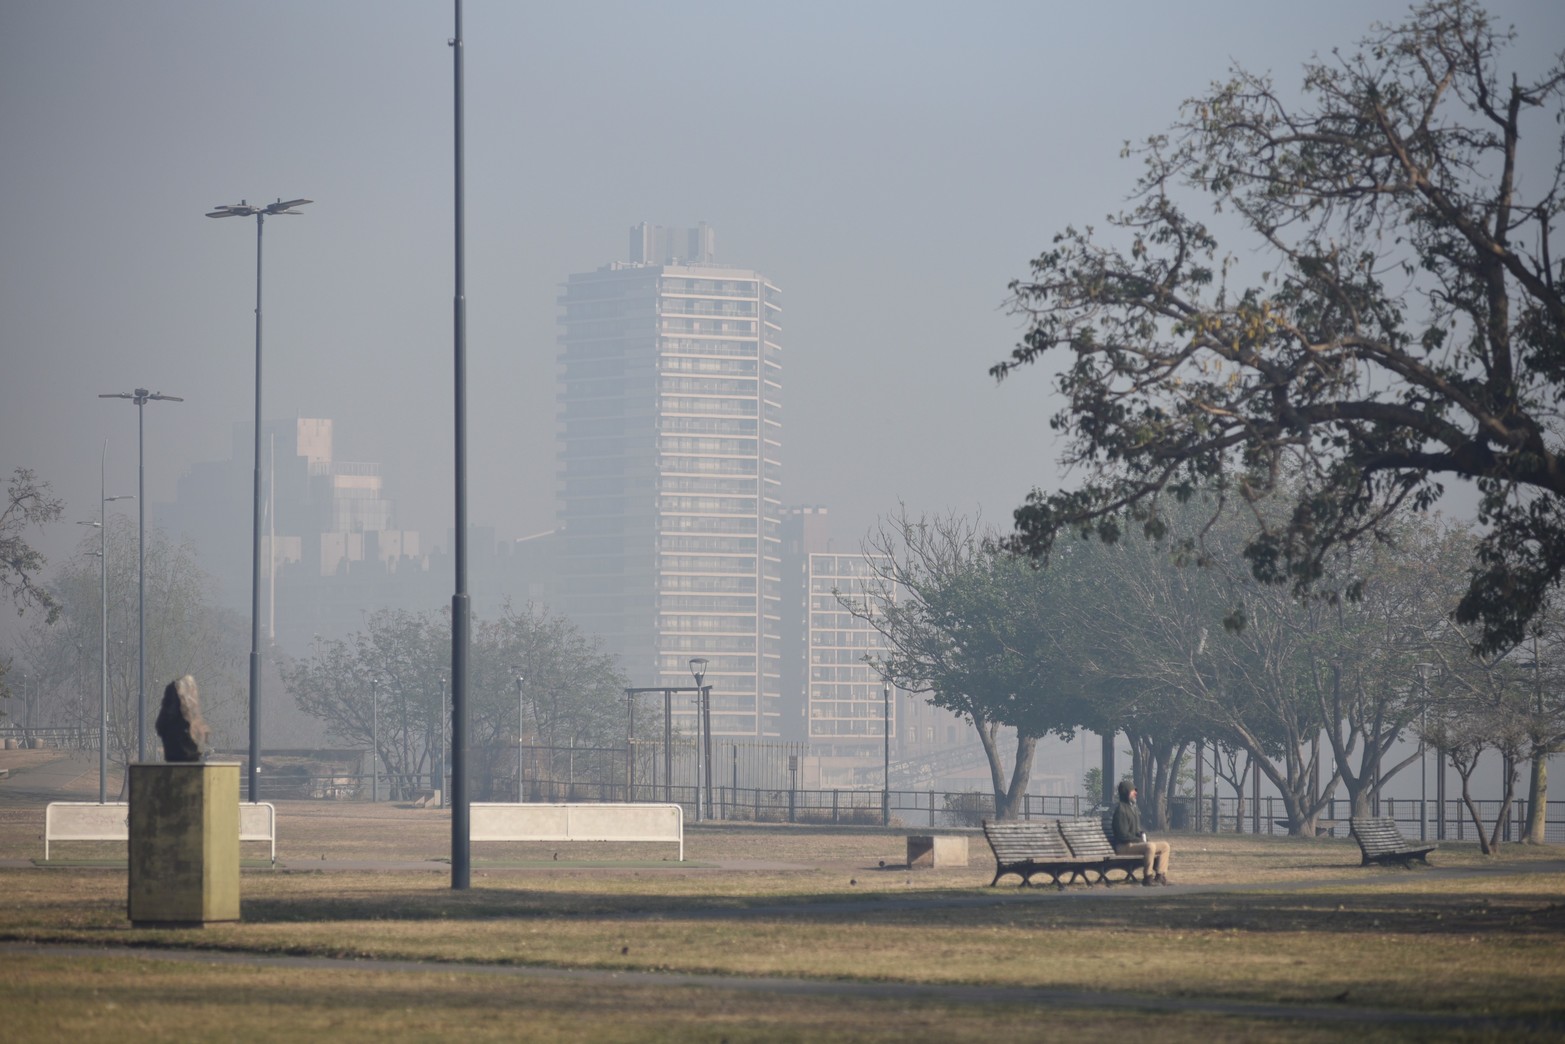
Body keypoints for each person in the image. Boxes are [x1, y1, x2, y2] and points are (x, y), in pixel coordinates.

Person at [1110, 779, 1172, 885]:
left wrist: (1141, 835)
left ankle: (1160, 875)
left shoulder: (1132, 809)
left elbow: (1136, 830)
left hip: (1133, 844)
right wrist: (1139, 840)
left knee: (1165, 846)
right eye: (1132, 791)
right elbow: (1122, 835)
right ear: (1126, 793)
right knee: (1150, 846)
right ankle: (1147, 877)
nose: (1135, 793)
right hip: (1123, 846)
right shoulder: (1120, 810)